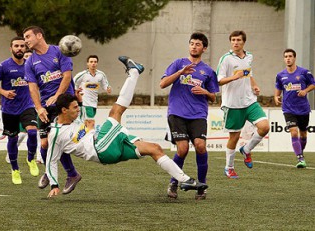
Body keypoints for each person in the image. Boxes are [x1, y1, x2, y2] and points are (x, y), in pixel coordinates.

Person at [46, 56, 207, 198]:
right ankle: (134, 72)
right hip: (100, 149)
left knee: (155, 148)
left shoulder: (74, 119)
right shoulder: (56, 133)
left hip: (106, 142)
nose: (78, 109)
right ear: (64, 110)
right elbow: (51, 160)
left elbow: (79, 111)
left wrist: (79, 100)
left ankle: (187, 181)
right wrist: (54, 184)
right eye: (74, 107)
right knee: (115, 112)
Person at [160, 32, 219, 200]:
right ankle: (173, 182)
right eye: (192, 43)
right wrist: (180, 72)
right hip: (177, 112)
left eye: (198, 44)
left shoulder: (208, 71)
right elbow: (163, 83)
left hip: (198, 114)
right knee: (183, 149)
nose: (194, 46)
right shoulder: (178, 63)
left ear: (204, 48)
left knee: (200, 146)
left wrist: (205, 91)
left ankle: (202, 185)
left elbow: (213, 97)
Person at [23, 26, 78, 193]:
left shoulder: (59, 51)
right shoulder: (30, 62)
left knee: (58, 141)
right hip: (46, 107)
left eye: (28, 36)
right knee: (45, 143)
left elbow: (67, 76)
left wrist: (57, 96)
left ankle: (71, 174)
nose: (26, 40)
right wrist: (39, 107)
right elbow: (32, 87)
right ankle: (50, 171)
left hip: (64, 104)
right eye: (24, 38)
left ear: (39, 35)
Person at [216, 30, 269, 178]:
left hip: (249, 101)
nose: (235, 43)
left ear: (243, 42)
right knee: (234, 137)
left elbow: (249, 74)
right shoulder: (226, 59)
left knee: (265, 127)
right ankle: (229, 167)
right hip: (233, 104)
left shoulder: (249, 56)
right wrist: (234, 77)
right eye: (233, 40)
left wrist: (255, 86)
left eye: (238, 40)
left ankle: (246, 149)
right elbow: (219, 80)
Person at [0, 37, 39, 184]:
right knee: (13, 139)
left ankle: (31, 159)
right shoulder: (3, 66)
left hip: (27, 106)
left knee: (32, 131)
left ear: (25, 48)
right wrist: (4, 92)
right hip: (9, 109)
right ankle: (15, 169)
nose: (19, 48)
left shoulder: (31, 65)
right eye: (16, 46)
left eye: (22, 46)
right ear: (11, 48)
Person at [274, 48, 315, 168]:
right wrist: (276, 97)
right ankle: (300, 158)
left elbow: (313, 84)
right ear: (284, 59)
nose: (288, 58)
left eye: (290, 56)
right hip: (288, 108)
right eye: (286, 56)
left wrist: (305, 91)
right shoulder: (280, 75)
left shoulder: (304, 72)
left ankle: (300, 154)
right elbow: (278, 89)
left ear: (294, 58)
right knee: (293, 131)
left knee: (303, 134)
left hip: (302, 108)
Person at [5, 49, 43, 164]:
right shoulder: (17, 71)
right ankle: (10, 152)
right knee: (21, 133)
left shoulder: (36, 71)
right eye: (26, 56)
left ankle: (39, 157)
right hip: (20, 107)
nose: (27, 58)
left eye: (30, 56)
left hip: (35, 106)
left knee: (37, 132)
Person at [73, 55, 111, 122]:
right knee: (88, 120)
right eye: (91, 62)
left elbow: (105, 84)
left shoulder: (101, 74)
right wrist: (76, 92)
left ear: (97, 63)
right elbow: (73, 82)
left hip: (94, 101)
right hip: (85, 102)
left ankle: (85, 130)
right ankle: (86, 131)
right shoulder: (82, 74)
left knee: (89, 119)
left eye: (95, 62)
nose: (93, 64)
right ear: (87, 63)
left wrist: (107, 88)